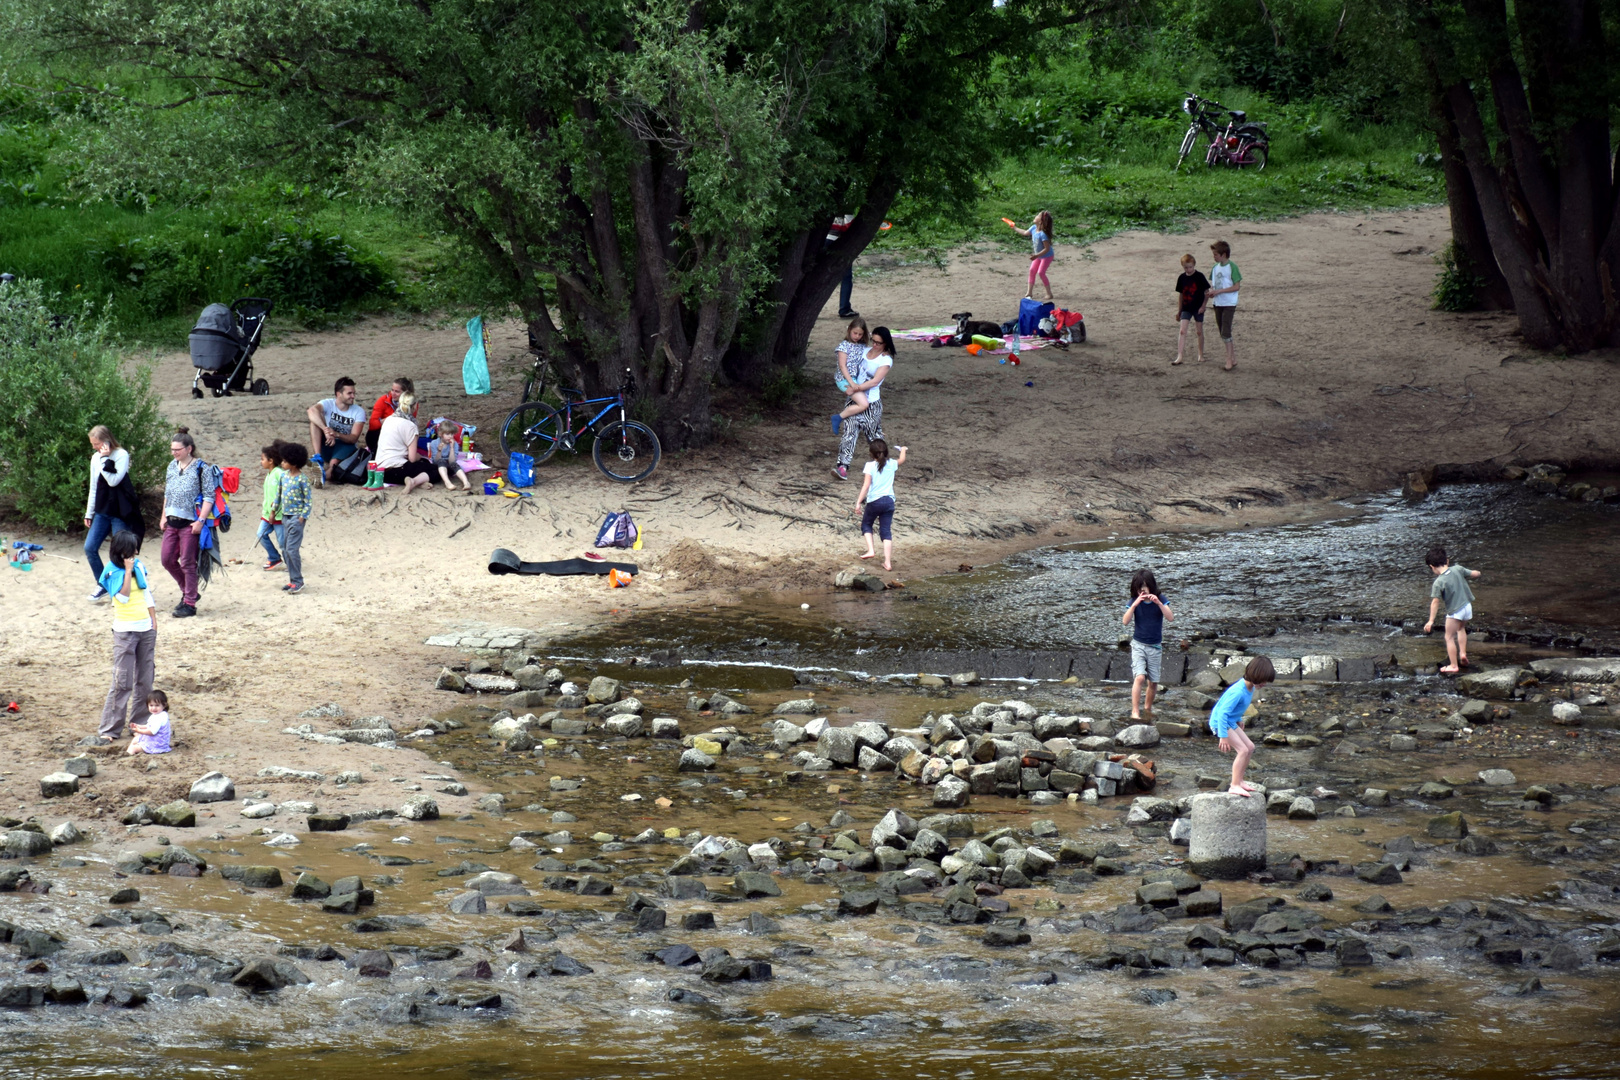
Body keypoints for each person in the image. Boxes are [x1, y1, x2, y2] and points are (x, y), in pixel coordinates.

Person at [97, 529, 156, 743]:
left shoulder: (139, 565)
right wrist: (128, 572)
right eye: (132, 549)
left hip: (146, 628)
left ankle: (139, 723)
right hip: (125, 631)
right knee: (122, 680)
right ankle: (110, 728)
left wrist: (154, 622)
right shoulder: (112, 571)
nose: (136, 552)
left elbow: (146, 593)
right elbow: (122, 597)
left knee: (145, 679)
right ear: (122, 551)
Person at [160, 428, 217, 618]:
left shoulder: (201, 468)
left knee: (187, 562)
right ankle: (188, 591)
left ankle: (190, 603)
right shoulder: (171, 466)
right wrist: (163, 516)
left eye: (178, 449)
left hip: (190, 522)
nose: (174, 452)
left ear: (189, 448)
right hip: (172, 520)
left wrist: (200, 521)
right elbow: (167, 493)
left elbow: (210, 496)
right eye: (172, 449)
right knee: (167, 559)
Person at [84, 425, 142, 599]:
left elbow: (113, 481)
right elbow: (94, 487)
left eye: (97, 443)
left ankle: (125, 585)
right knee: (90, 548)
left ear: (107, 441)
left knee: (120, 551)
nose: (94, 447)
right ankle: (103, 583)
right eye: (93, 444)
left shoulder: (121, 455)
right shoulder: (95, 458)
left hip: (120, 512)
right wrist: (89, 512)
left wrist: (105, 458)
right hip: (102, 510)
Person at [834, 326, 895, 480]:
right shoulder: (862, 351)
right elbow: (846, 361)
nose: (874, 345)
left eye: (879, 343)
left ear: (885, 344)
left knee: (873, 437)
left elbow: (875, 381)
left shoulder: (885, 359)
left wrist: (856, 388)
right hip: (854, 400)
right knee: (849, 432)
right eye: (873, 341)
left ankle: (884, 464)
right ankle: (842, 466)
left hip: (871, 403)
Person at [1210, 656, 1274, 796]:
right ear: (1255, 675)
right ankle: (1234, 785)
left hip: (1230, 721)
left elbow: (1236, 708)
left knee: (1250, 747)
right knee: (1242, 751)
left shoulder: (1249, 687)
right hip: (1220, 723)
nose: (1264, 684)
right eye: (1263, 681)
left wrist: (1239, 719)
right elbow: (1221, 713)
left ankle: (1240, 781)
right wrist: (1223, 736)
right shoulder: (1238, 691)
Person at [1123, 568, 1174, 720]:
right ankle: (1135, 711)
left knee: (1153, 682)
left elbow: (1170, 618)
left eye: (1145, 586)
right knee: (1139, 678)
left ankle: (1147, 708)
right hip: (1138, 644)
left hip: (1155, 646)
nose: (1143, 590)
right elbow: (1125, 621)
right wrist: (1134, 605)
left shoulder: (1160, 599)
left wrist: (1158, 603)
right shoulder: (1134, 601)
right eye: (1140, 587)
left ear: (1151, 585)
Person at [1424, 546, 1482, 674]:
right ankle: (1462, 654)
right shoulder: (1458, 569)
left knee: (1449, 637)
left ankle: (1454, 665)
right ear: (1447, 561)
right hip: (1467, 606)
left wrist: (1430, 621)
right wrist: (1478, 573)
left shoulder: (1439, 582)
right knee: (1461, 629)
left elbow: (1435, 602)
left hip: (1455, 611)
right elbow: (1474, 574)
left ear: (1432, 567)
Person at [854, 439, 907, 571]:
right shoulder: (892, 463)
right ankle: (887, 562)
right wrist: (903, 450)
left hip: (874, 501)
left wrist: (858, 502)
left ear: (871, 454)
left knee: (866, 524)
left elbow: (866, 485)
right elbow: (902, 460)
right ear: (886, 452)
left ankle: (871, 550)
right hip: (889, 501)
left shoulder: (869, 466)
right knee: (886, 531)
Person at [307, 376, 367, 485]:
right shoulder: (328, 403)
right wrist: (326, 430)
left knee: (333, 463)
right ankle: (318, 458)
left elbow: (354, 438)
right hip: (327, 442)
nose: (353, 396)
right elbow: (311, 411)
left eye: (354, 393)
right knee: (314, 422)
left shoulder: (358, 411)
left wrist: (336, 434)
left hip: (345, 445)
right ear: (339, 394)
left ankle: (324, 476)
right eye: (349, 393)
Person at [374, 392, 434, 492]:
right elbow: (412, 458)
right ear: (415, 406)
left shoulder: (388, 419)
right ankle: (414, 481)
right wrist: (419, 456)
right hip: (399, 469)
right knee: (436, 469)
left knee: (423, 464)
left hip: (380, 472)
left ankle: (417, 482)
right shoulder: (411, 426)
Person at [279, 443, 313, 594]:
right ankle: (293, 580)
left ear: (294, 462)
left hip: (296, 518)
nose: (282, 463)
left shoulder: (302, 479)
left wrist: (302, 516)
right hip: (285, 516)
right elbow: (278, 495)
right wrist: (274, 510)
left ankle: (298, 581)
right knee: (285, 550)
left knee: (292, 549)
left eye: (285, 461)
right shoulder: (283, 476)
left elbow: (308, 500)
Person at [830, 317, 871, 435]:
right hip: (845, 379)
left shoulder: (862, 346)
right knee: (863, 404)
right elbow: (843, 367)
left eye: (860, 334)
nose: (857, 336)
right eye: (855, 333)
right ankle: (838, 417)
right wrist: (852, 384)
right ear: (849, 331)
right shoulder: (844, 346)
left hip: (858, 379)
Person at [1208, 240, 1242, 371]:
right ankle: (1232, 358)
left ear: (1223, 255)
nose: (1214, 256)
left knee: (1226, 331)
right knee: (1222, 330)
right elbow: (1213, 283)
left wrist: (1219, 291)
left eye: (1216, 254)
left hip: (1229, 303)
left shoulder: (1232, 267)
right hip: (1218, 302)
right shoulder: (1215, 268)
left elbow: (1237, 286)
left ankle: (1228, 359)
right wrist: (1211, 291)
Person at [1172, 254, 1210, 366]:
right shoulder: (1182, 278)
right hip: (1186, 307)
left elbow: (1206, 292)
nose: (1188, 269)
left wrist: (1203, 306)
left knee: (1199, 331)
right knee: (1182, 330)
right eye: (1186, 267)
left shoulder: (1200, 276)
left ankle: (1200, 354)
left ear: (1194, 265)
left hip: (1198, 308)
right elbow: (1181, 295)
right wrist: (1179, 310)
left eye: (1190, 267)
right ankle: (1179, 355)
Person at [1012, 211, 1055, 302]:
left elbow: (1047, 249)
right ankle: (1029, 293)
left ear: (1041, 222)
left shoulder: (1043, 234)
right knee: (1032, 271)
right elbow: (1024, 233)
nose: (1035, 216)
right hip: (1038, 256)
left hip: (1046, 256)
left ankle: (1049, 293)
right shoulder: (1033, 228)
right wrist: (1014, 227)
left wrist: (1036, 255)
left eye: (1038, 216)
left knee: (1041, 272)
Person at [256, 442, 287, 571]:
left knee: (282, 542)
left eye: (263, 459)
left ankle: (291, 562)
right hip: (267, 514)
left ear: (271, 461)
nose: (261, 462)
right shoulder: (269, 475)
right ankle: (274, 558)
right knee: (260, 534)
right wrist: (266, 510)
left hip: (278, 515)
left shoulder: (279, 473)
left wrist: (274, 510)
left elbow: (281, 494)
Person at [367, 376, 414, 457]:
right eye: (392, 390)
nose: (393, 393)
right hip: (381, 434)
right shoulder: (383, 401)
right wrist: (392, 418)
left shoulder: (411, 404)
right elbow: (372, 425)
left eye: (397, 391)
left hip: (399, 434)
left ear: (405, 393)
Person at [826, 215, 858, 319]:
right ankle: (844, 309)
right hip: (838, 241)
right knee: (846, 277)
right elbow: (849, 227)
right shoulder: (847, 207)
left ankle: (808, 307)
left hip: (822, 241)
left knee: (816, 275)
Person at [127, 690, 172, 756]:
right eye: (151, 705)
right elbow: (149, 726)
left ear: (164, 705)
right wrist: (139, 726)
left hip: (157, 744)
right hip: (156, 740)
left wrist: (139, 730)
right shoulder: (157, 714)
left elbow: (152, 732)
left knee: (133, 748)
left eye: (157, 705)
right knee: (136, 739)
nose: (153, 708)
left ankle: (129, 755)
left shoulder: (159, 717)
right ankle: (129, 752)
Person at [431, 423, 471, 489]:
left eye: (452, 434)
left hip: (449, 465)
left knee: (454, 464)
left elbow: (452, 461)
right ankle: (447, 483)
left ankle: (466, 482)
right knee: (441, 461)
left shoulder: (455, 444)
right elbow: (436, 461)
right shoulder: (434, 443)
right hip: (439, 467)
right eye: (447, 434)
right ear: (441, 434)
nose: (450, 436)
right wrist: (439, 451)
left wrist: (452, 448)